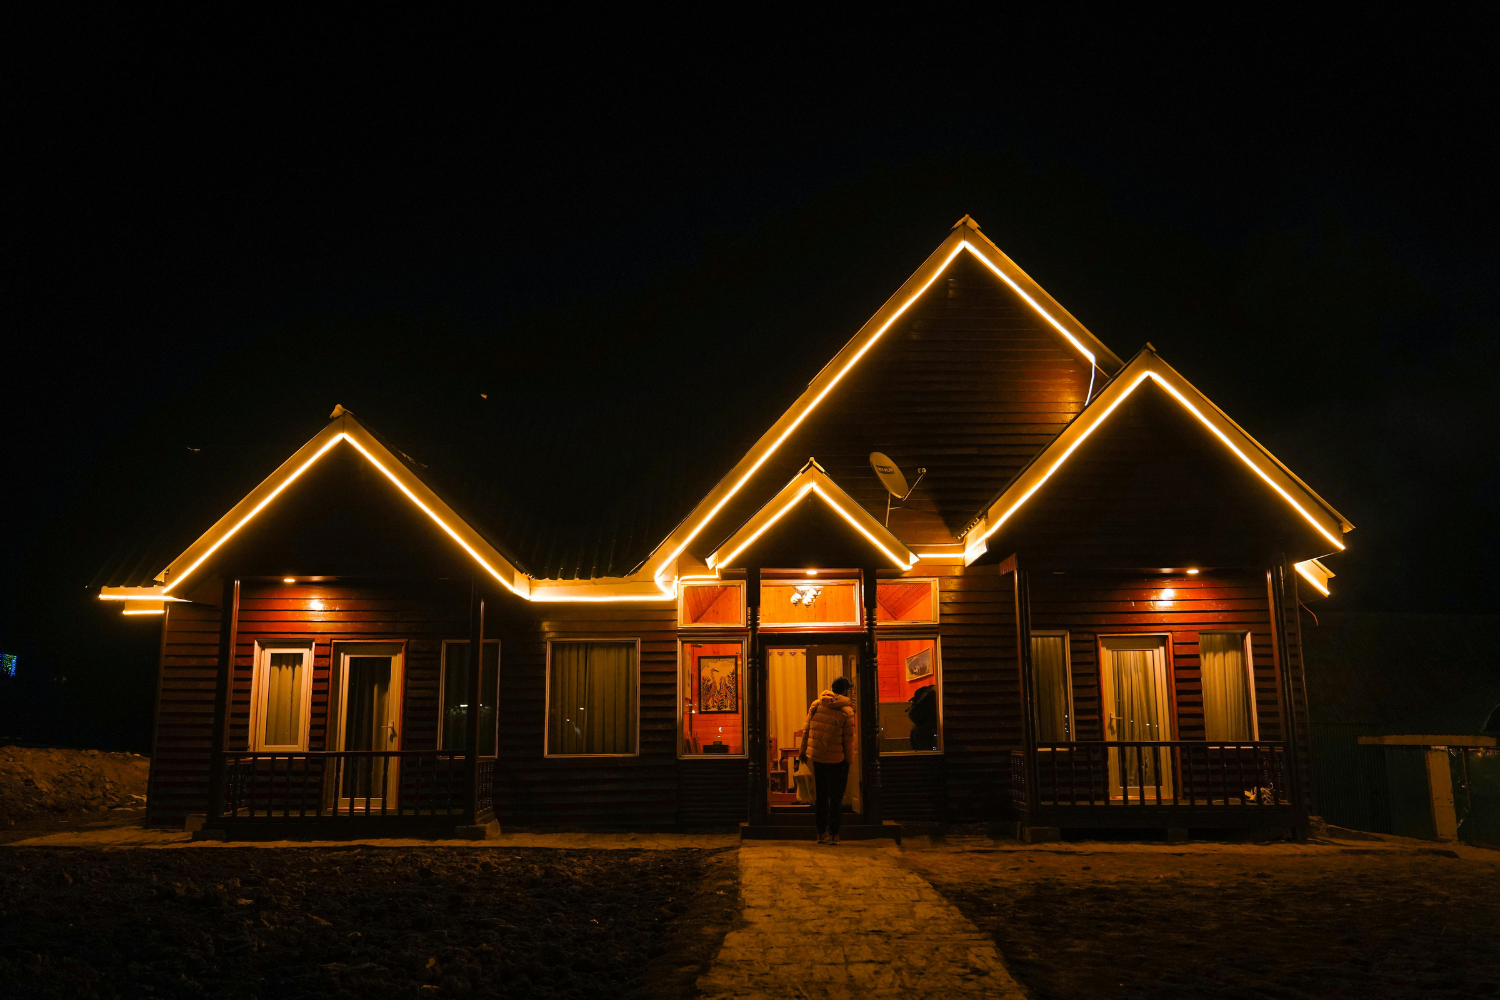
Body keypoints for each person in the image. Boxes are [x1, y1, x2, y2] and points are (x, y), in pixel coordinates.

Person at [798, 675, 856, 845]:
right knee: (836, 799)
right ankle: (835, 835)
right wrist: (849, 760)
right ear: (845, 691)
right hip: (838, 760)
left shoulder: (816, 705)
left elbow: (806, 730)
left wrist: (803, 751)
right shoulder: (846, 711)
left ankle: (820, 833)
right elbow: (848, 740)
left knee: (821, 797)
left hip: (818, 758)